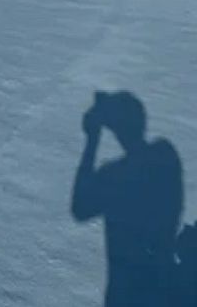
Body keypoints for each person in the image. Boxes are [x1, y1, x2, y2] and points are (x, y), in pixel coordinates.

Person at [72, 91, 185, 306]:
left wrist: (92, 141)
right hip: (162, 277)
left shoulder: (114, 175)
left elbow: (80, 208)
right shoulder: (166, 155)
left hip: (125, 290)